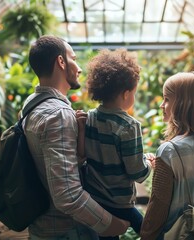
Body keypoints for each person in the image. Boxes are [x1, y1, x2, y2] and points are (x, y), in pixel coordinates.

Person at [23, 35, 130, 240]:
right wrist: (111, 225)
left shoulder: (32, 104)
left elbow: (51, 166)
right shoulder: (57, 115)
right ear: (61, 62)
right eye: (73, 58)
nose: (79, 68)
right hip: (67, 230)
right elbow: (68, 195)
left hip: (41, 225)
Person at [140, 72, 194, 240]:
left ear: (182, 104)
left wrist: (145, 236)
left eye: (166, 99)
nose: (161, 105)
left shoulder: (169, 151)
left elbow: (158, 209)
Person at [76, 48, 152, 240]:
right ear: (126, 94)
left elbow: (84, 154)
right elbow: (137, 173)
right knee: (149, 231)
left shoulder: (90, 118)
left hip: (97, 201)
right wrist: (150, 163)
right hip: (120, 203)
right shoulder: (129, 126)